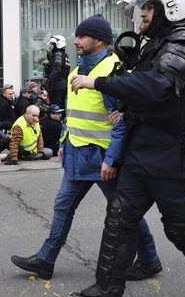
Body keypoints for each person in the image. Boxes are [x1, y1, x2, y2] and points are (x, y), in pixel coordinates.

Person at [69, 0, 185, 296]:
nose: (143, 13)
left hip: (171, 156)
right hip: (142, 153)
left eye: (150, 6)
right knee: (119, 218)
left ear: (172, 7)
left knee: (184, 229)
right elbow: (141, 91)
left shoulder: (183, 44)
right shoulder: (155, 45)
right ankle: (107, 288)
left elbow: (157, 88)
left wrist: (100, 84)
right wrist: (123, 98)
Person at [12, 14, 161, 285]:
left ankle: (149, 258)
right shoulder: (76, 70)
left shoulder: (112, 72)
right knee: (62, 207)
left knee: (124, 213)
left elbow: (122, 120)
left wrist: (113, 159)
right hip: (76, 154)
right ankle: (46, 260)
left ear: (100, 40)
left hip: (103, 158)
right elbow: (72, 113)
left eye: (81, 36)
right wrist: (62, 143)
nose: (75, 40)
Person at [44, 35, 71, 108]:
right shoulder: (65, 55)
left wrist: (48, 80)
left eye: (53, 44)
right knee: (61, 107)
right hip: (63, 85)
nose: (51, 46)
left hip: (56, 85)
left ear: (58, 44)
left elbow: (57, 68)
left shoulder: (58, 54)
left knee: (55, 108)